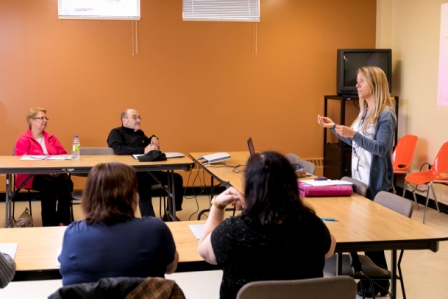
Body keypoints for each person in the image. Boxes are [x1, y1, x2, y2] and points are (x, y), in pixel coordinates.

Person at [198, 151, 336, 299]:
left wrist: (217, 205)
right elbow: (329, 250)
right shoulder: (312, 226)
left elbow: (204, 252)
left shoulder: (232, 231)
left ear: (251, 188)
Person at [317, 66, 396, 297]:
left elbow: (381, 149)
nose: (357, 85)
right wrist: (333, 127)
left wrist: (354, 135)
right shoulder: (365, 111)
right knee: (363, 234)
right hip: (360, 181)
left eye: (361, 81)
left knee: (373, 236)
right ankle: (368, 278)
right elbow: (356, 142)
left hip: (376, 183)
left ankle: (380, 282)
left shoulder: (386, 114)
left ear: (374, 84)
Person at [58, 162, 178, 286]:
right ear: (132, 196)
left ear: (88, 197)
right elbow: (171, 267)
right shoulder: (155, 228)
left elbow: (65, 269)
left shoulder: (72, 233)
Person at [107, 109, 184, 219]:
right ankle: (149, 219)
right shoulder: (116, 132)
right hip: (128, 175)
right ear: (124, 120)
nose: (138, 120)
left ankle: (170, 214)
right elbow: (118, 149)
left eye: (139, 118)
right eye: (134, 117)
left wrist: (154, 137)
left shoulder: (139, 133)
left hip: (148, 172)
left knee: (176, 178)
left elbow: (149, 145)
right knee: (143, 183)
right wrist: (143, 151)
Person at [14, 108, 73, 226]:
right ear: (31, 121)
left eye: (46, 118)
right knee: (49, 184)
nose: (45, 120)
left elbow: (64, 155)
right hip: (30, 176)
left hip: (54, 173)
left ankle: (63, 220)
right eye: (41, 118)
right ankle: (49, 223)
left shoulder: (52, 138)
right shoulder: (23, 139)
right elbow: (21, 163)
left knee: (66, 182)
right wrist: (45, 171)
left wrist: (59, 170)